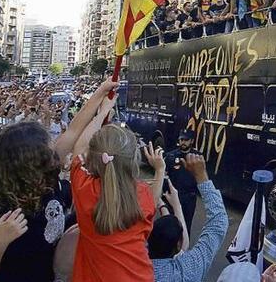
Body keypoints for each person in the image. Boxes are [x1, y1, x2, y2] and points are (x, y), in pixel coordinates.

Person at [0, 121, 72, 282]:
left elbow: (73, 132)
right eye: (49, 146)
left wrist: (102, 103)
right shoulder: (3, 203)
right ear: (31, 160)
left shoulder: (48, 183)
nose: (54, 148)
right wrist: (0, 240)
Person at [70, 118, 163, 282]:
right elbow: (152, 205)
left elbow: (79, 148)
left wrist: (104, 109)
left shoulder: (84, 189)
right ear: (133, 160)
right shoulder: (142, 193)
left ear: (92, 158)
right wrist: (160, 170)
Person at [150, 154, 228, 282]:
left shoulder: (132, 265)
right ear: (178, 245)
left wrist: (163, 205)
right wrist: (201, 176)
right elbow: (218, 222)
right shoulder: (187, 271)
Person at [164, 129, 198, 232]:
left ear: (191, 141)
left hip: (189, 198)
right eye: (181, 139)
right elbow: (165, 177)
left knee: (186, 226)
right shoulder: (170, 156)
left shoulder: (197, 157)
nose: (183, 142)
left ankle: (184, 247)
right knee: (171, 225)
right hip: (174, 197)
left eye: (186, 140)